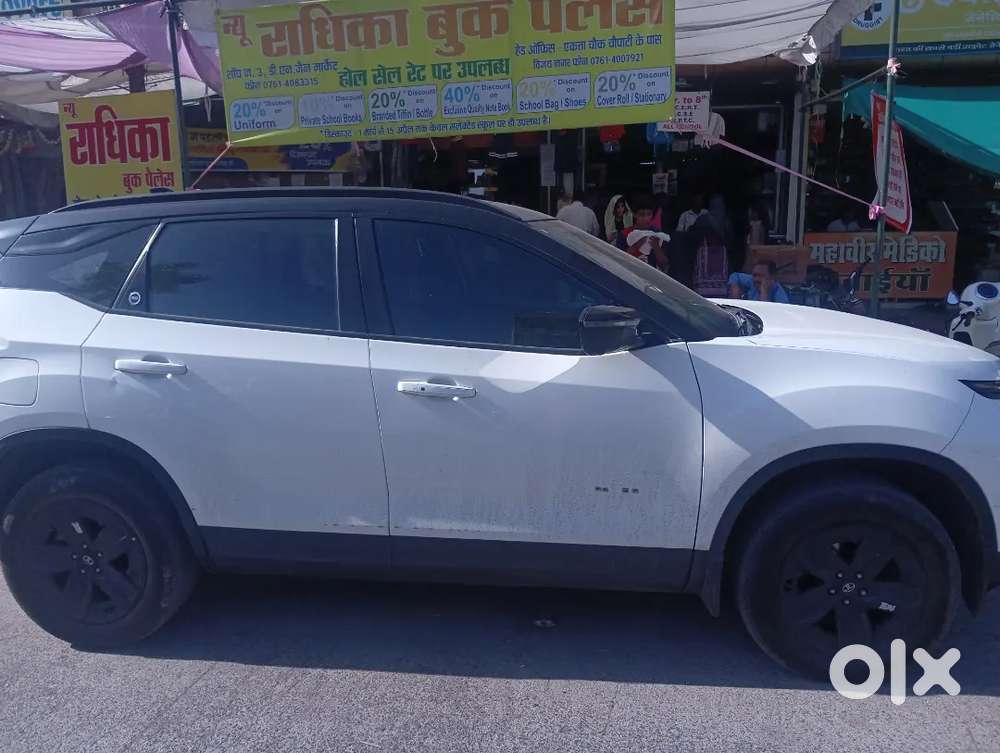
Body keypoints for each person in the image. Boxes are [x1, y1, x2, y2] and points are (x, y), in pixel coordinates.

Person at [619, 194, 668, 271]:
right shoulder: (624, 234)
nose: (646, 218)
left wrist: (656, 247)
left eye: (649, 214)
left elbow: (664, 265)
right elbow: (619, 261)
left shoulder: (657, 234)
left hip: (651, 277)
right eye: (642, 215)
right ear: (634, 214)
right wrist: (636, 245)